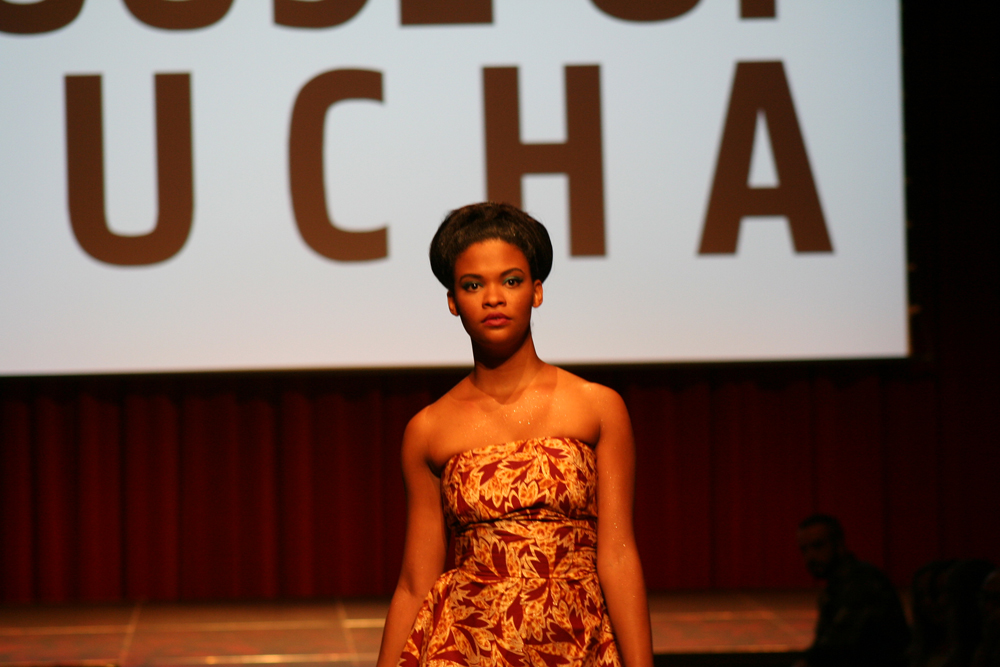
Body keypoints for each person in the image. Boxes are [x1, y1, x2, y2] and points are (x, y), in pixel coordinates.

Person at [375, 202, 654, 667]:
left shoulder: (598, 408)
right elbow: (415, 581)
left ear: (536, 291)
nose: (493, 298)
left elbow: (619, 556)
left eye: (511, 281)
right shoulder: (428, 430)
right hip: (466, 648)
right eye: (472, 285)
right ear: (452, 301)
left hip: (577, 644)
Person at [794, 514, 910, 667]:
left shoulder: (863, 581)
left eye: (818, 546)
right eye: (804, 550)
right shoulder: (837, 586)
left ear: (839, 544)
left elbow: (838, 647)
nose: (810, 556)